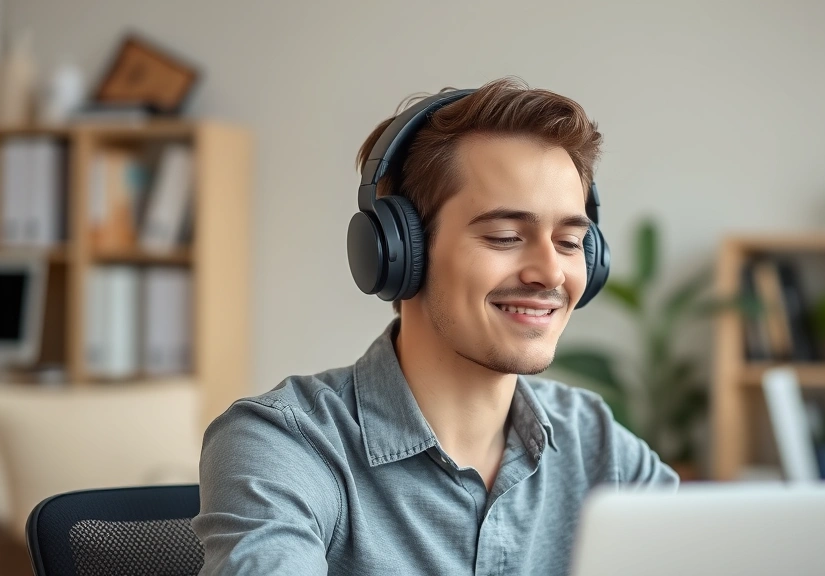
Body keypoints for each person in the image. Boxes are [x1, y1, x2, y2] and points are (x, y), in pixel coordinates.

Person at [192, 77, 678, 576]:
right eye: (506, 236)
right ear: (400, 252)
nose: (551, 272)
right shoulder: (285, 444)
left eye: (570, 243)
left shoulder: (597, 443)